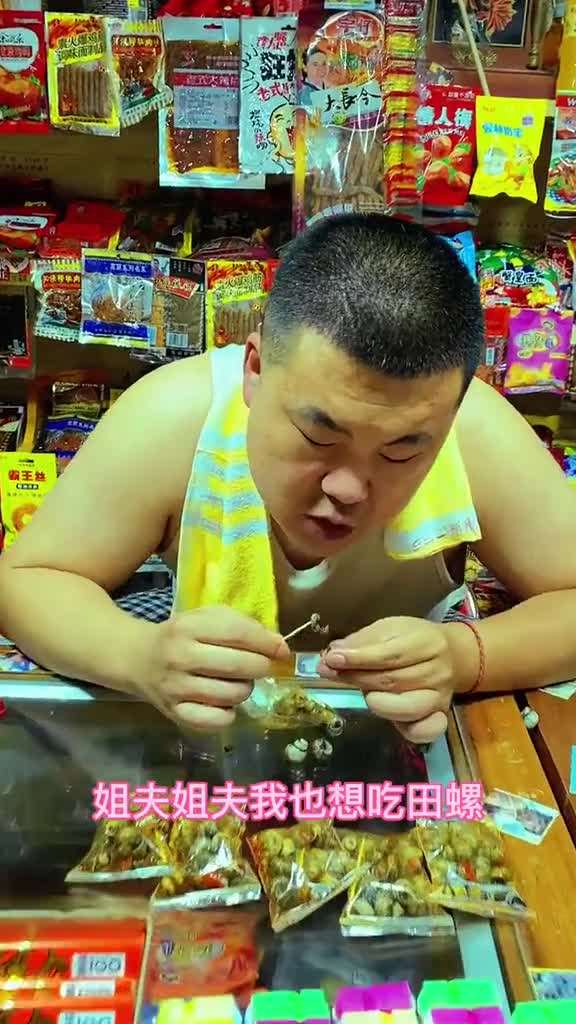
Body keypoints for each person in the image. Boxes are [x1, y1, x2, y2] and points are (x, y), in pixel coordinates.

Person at [1, 214, 576, 745]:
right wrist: (138, 656)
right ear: (254, 370)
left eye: (401, 451)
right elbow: (27, 581)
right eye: (319, 436)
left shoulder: (474, 431)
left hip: (396, 738)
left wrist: (461, 656)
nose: (348, 488)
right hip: (200, 732)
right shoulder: (175, 418)